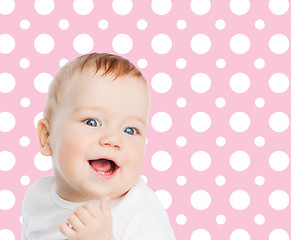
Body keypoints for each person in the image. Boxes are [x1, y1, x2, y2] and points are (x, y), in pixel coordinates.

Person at [22, 53, 176, 240]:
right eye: (92, 122)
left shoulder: (140, 211)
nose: (113, 139)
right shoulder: (37, 198)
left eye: (129, 130)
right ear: (47, 137)